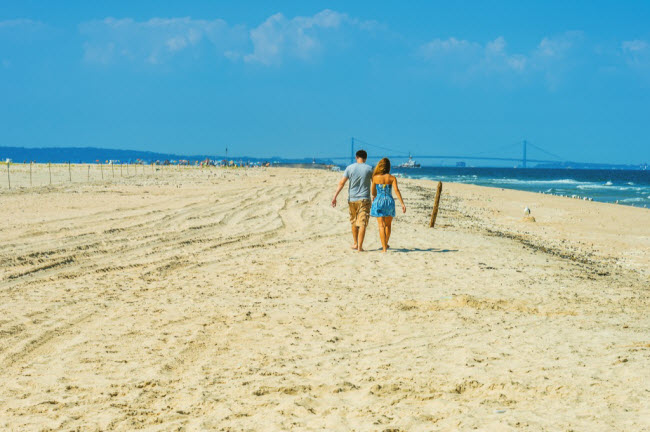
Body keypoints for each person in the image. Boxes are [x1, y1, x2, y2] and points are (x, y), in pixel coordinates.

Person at [332, 150, 373, 252]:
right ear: (365, 158)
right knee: (362, 222)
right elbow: (375, 183)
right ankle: (360, 247)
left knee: (354, 222)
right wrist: (375, 195)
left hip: (352, 199)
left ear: (356, 157)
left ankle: (355, 243)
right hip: (364, 199)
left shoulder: (349, 168)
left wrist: (335, 197)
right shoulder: (369, 169)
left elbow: (342, 183)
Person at [370, 158, 406, 252]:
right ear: (388, 167)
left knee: (381, 225)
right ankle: (385, 243)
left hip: (379, 201)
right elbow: (396, 190)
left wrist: (374, 196)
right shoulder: (392, 178)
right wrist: (402, 203)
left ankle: (384, 248)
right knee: (388, 225)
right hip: (389, 201)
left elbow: (373, 192)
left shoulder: (375, 177)